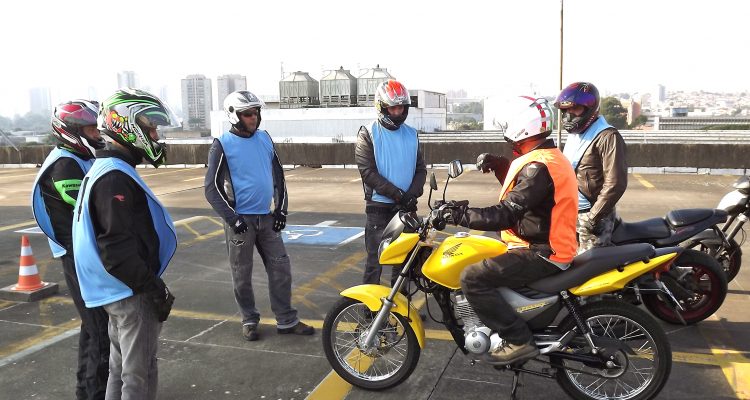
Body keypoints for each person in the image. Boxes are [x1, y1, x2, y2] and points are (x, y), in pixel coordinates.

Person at [449, 96, 578, 365]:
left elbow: (506, 213)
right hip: (545, 243)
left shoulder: (538, 167)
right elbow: (528, 195)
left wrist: (459, 215)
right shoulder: (546, 158)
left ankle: (518, 340)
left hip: (543, 251)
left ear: (521, 126)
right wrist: (499, 165)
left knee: (472, 277)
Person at [72, 89, 179, 400]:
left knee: (120, 370)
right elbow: (116, 248)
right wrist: (153, 287)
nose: (156, 136)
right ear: (128, 127)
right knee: (139, 374)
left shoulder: (105, 168)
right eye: (151, 128)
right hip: (130, 292)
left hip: (115, 290)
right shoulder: (114, 177)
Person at [204, 90, 314, 341]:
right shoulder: (222, 144)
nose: (254, 118)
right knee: (241, 274)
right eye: (247, 114)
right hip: (241, 221)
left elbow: (279, 177)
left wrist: (281, 209)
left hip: (266, 218)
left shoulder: (265, 138)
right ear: (234, 115)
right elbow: (211, 188)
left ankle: (286, 320)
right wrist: (233, 218)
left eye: (256, 113)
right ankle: (249, 319)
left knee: (281, 268)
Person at [31, 99, 109, 400]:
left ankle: (85, 390)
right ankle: (95, 393)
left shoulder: (78, 157)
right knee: (100, 330)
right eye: (90, 128)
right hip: (79, 256)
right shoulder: (65, 165)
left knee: (93, 327)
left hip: (84, 253)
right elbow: (92, 212)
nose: (97, 133)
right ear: (71, 131)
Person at [355, 79, 427, 286]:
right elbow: (368, 173)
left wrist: (411, 195)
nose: (397, 112)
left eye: (401, 108)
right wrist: (399, 195)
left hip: (406, 207)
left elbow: (420, 169)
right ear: (381, 107)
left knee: (405, 263)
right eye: (393, 108)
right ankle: (368, 304)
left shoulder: (412, 134)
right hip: (379, 208)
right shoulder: (368, 133)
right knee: (374, 262)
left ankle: (399, 302)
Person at [554, 82, 628, 252]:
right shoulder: (575, 135)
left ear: (589, 108)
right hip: (571, 213)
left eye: (575, 109)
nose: (569, 115)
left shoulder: (607, 136)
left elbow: (615, 184)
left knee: (589, 266)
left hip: (593, 216)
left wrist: (592, 218)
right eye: (565, 110)